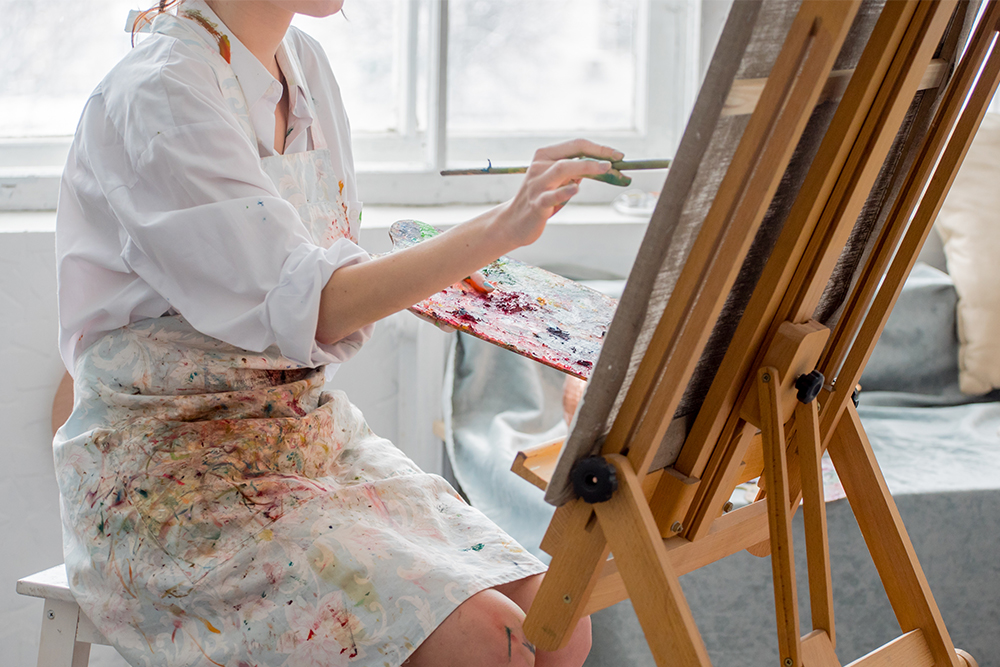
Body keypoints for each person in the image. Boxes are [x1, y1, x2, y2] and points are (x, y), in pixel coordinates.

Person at [53, 1, 622, 666]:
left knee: (557, 620)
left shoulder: (306, 67)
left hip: (309, 440)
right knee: (487, 643)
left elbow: (321, 275)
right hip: (175, 482)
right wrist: (501, 225)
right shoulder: (158, 93)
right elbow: (318, 303)